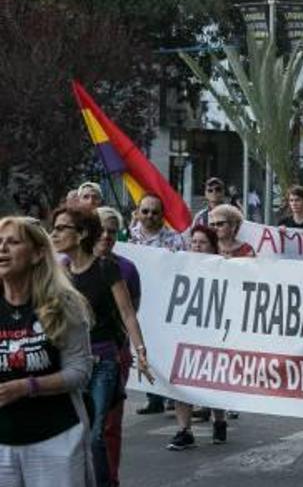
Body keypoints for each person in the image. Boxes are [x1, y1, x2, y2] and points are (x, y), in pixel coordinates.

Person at [50, 206, 153, 486]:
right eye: (54, 228)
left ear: (82, 233)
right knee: (73, 433)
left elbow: (127, 313)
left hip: (104, 362)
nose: (56, 233)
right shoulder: (60, 271)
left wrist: (141, 353)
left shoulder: (107, 268)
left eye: (62, 228)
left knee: (96, 434)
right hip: (71, 363)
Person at [0, 216, 94, 486]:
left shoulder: (65, 304)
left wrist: (27, 387)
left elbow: (80, 371)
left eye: (13, 242)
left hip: (55, 439)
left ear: (38, 254)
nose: (2, 249)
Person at [166, 225, 230, 450]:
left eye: (202, 243)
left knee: (214, 380)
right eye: (193, 242)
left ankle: (219, 420)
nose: (196, 246)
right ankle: (184, 430)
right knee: (180, 379)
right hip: (186, 333)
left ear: (213, 247)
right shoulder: (180, 265)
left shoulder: (225, 267)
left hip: (214, 334)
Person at [95, 207, 141, 487]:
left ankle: (110, 480)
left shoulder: (126, 269)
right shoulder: (65, 263)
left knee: (110, 425)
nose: (106, 236)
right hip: (75, 357)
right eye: (101, 229)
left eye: (112, 231)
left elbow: (131, 310)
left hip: (113, 354)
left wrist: (132, 346)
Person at [128, 194, 183, 415]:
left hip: (165, 302)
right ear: (138, 212)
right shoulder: (128, 237)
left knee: (167, 350)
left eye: (155, 212)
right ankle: (153, 397)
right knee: (144, 348)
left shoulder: (174, 240)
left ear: (162, 215)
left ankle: (171, 395)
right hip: (138, 301)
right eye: (145, 211)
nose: (149, 216)